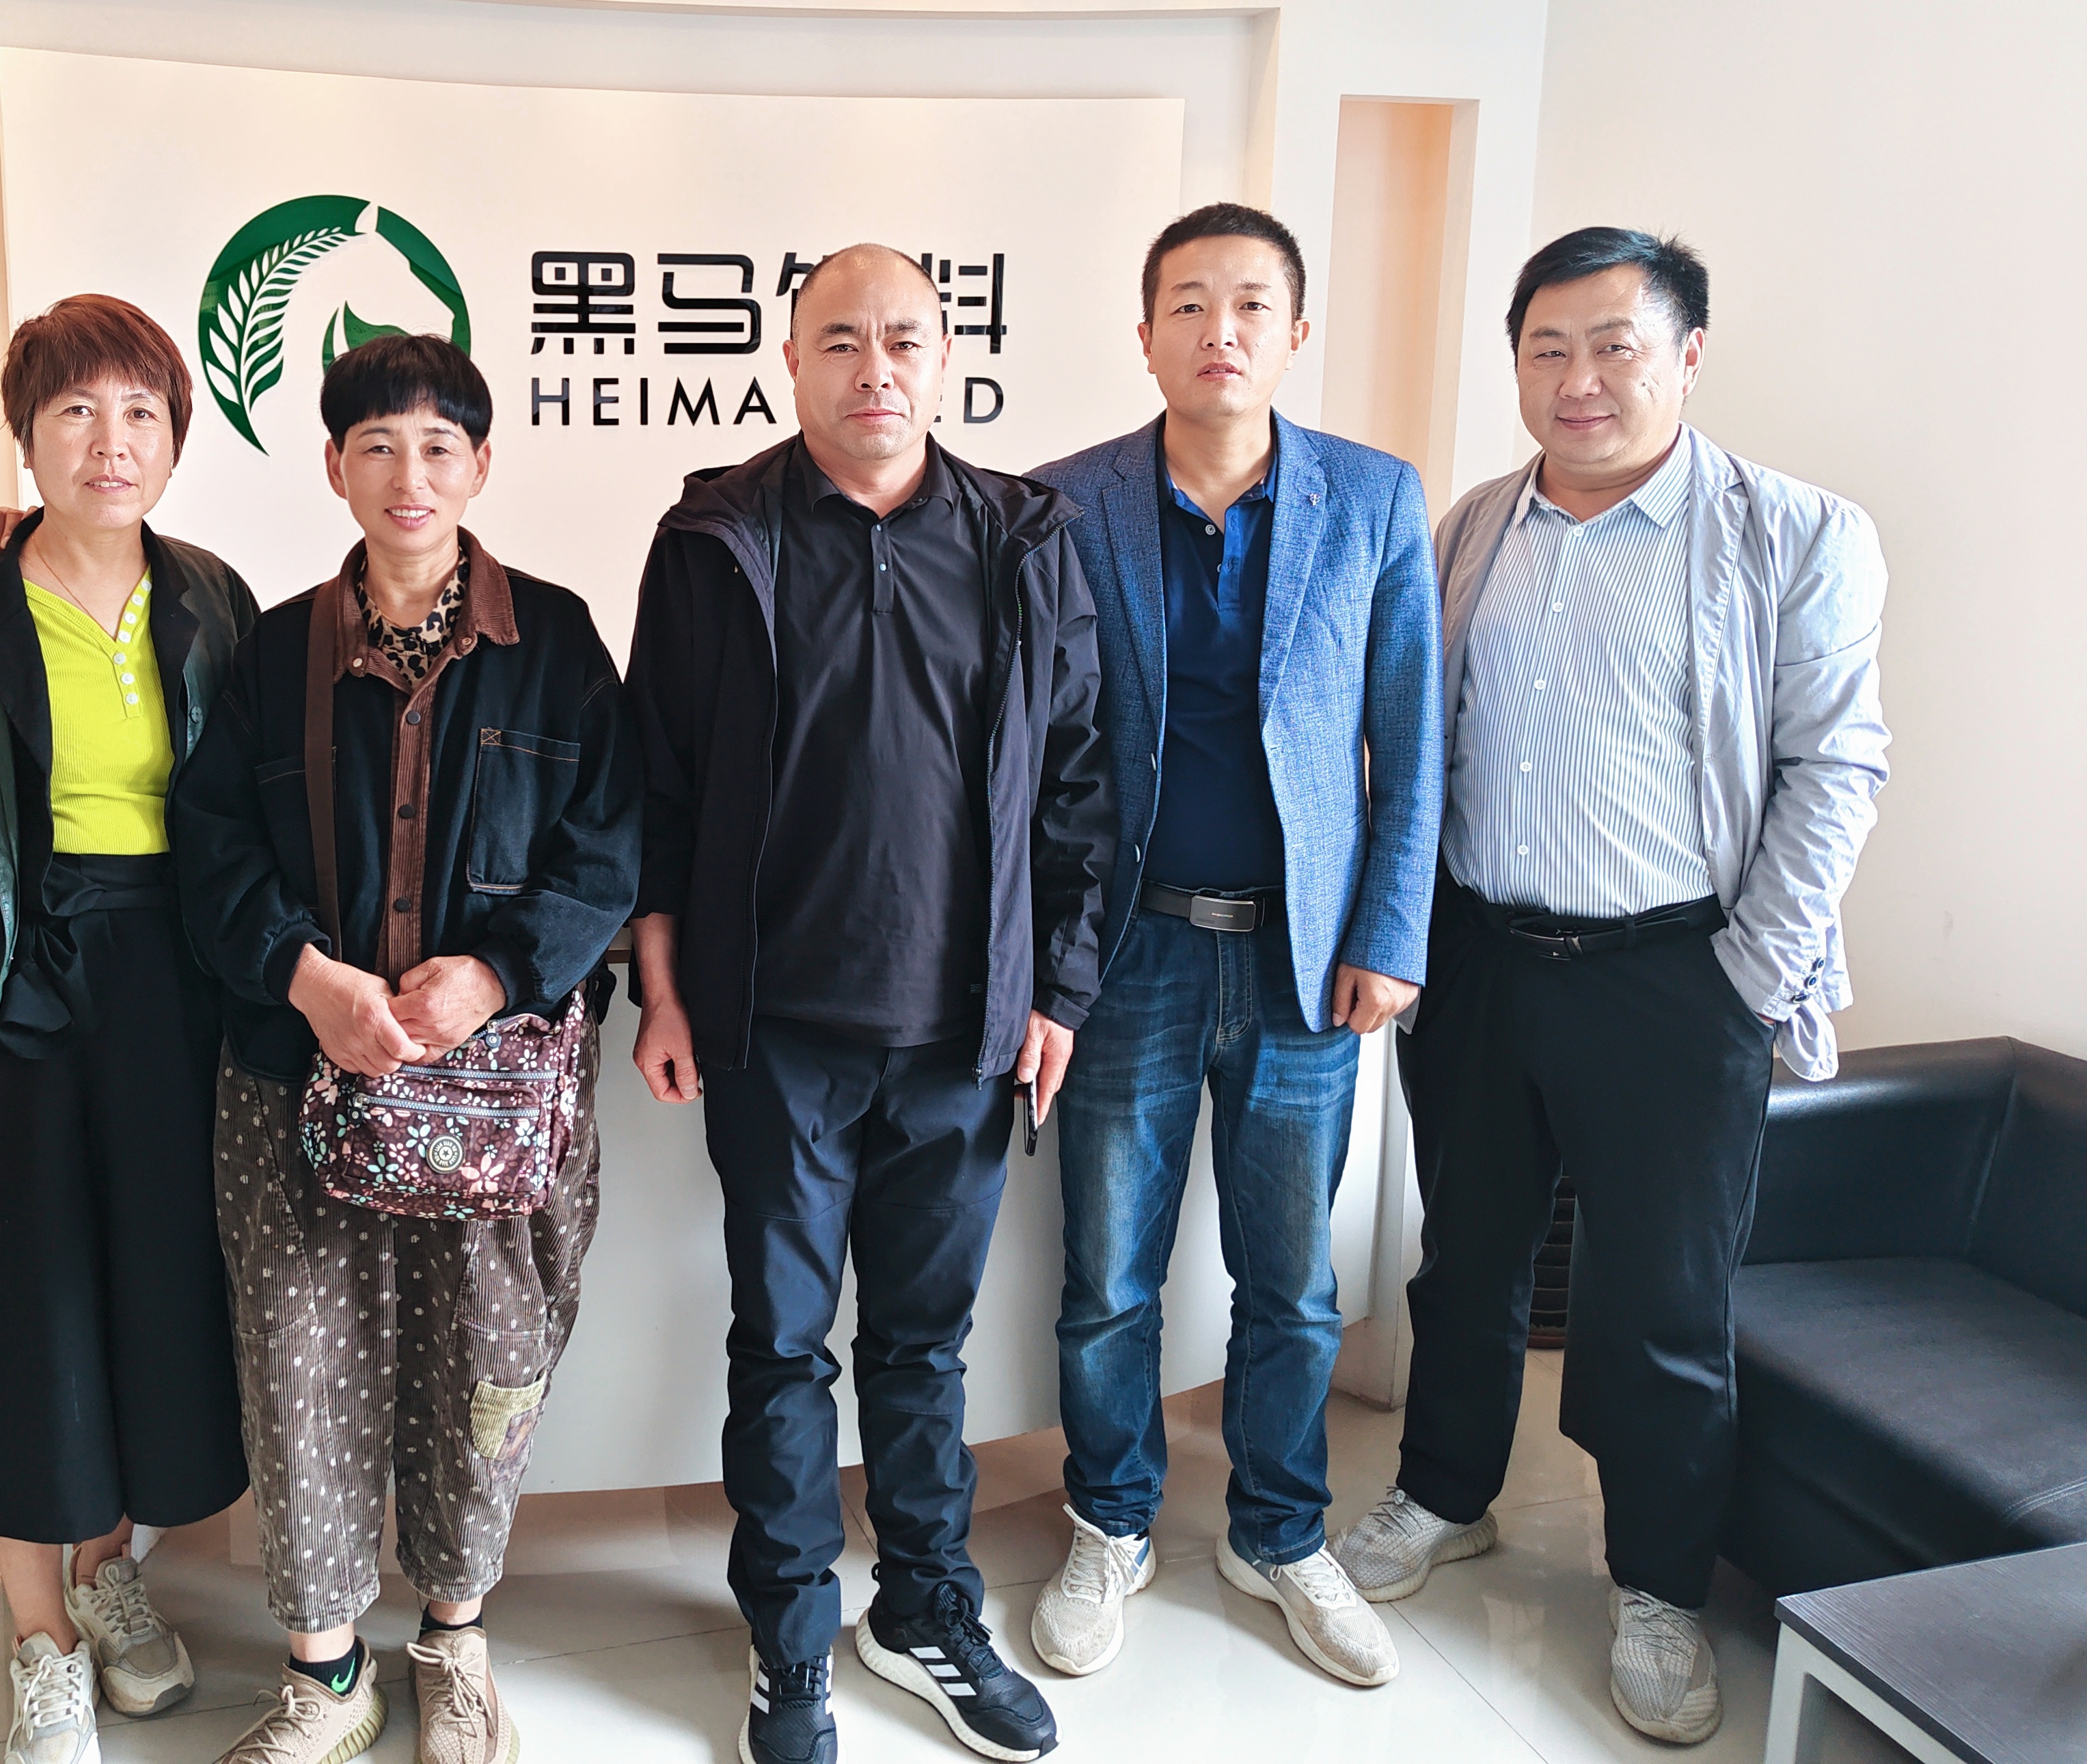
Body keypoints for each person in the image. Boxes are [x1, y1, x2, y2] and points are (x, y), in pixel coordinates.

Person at [1336, 229, 1889, 1745]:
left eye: (1615, 346)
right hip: (1481, 958)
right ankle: (1445, 1496)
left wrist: (1748, 975)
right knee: (1467, 1261)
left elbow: (1837, 766)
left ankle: (1656, 1582)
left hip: (1677, 975)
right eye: (1547, 349)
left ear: (1687, 356)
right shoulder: (1474, 526)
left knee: (1659, 1300)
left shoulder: (1794, 533)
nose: (1578, 380)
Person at [629, 245, 1115, 1764]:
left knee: (923, 1350)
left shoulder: (1025, 537)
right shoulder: (715, 538)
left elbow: (1080, 782)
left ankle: (922, 1611)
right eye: (840, 340)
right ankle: (790, 1647)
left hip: (964, 1031)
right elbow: (658, 785)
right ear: (792, 361)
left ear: (948, 354)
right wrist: (660, 990)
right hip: (772, 1029)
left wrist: (1058, 991)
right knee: (781, 1350)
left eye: (904, 337)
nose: (875, 368)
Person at [173, 333, 640, 1764]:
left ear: (481, 466)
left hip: (499, 1095)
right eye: (376, 444)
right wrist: (305, 976)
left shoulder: (556, 643)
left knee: (486, 1362)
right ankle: (325, 1675)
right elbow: (209, 845)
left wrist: (495, 975)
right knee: (300, 1362)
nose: (408, 474)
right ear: (335, 467)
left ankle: (452, 1637)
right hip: (296, 1076)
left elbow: (614, 848)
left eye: (439, 446)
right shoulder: (272, 653)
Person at [1025, 203, 1441, 1689]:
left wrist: (1390, 932)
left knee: (1296, 1284)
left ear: (1295, 332)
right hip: (1126, 955)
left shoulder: (1375, 500)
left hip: (1304, 964)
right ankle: (1111, 1520)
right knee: (1108, 1278)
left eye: (1252, 304)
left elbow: (1411, 734)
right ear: (1145, 337)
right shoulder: (1063, 504)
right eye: (1190, 305)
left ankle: (1278, 1532)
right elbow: (1032, 751)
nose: (1222, 331)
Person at [0, 295, 257, 1764]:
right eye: (76, 411)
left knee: (150, 1291)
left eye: (140, 412)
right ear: (26, 436)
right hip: (2, 991)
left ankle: (108, 1572)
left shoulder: (214, 599)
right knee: (23, 1308)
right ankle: (40, 1638)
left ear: (177, 437)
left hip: (176, 995)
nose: (110, 442)